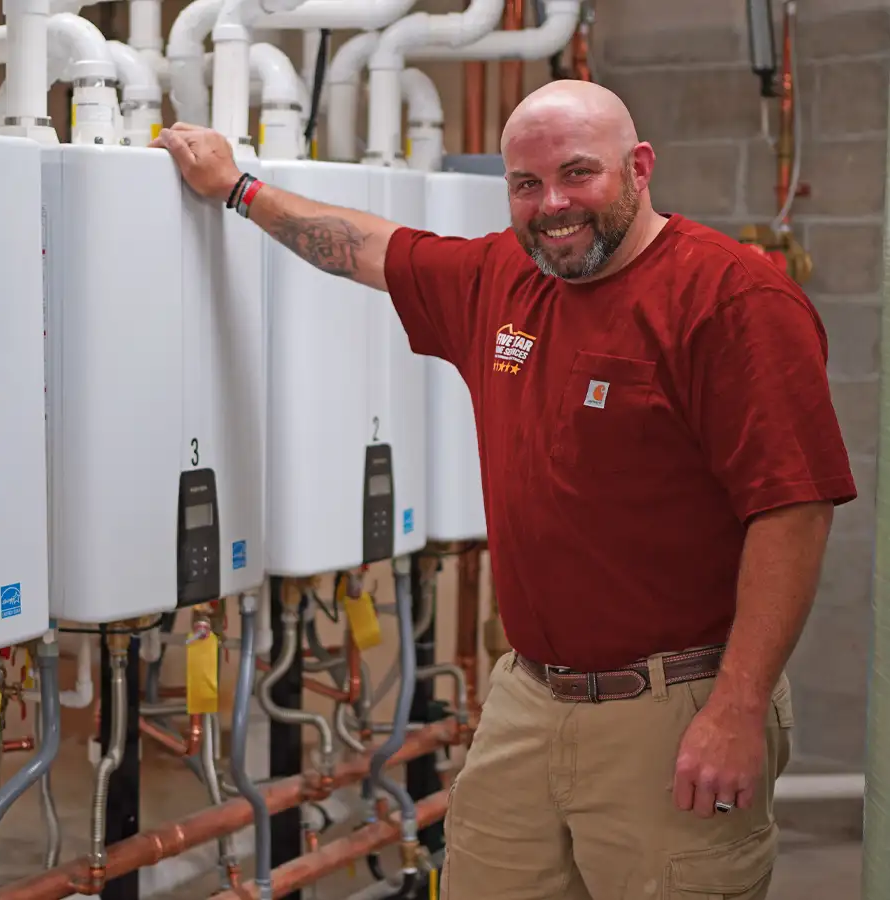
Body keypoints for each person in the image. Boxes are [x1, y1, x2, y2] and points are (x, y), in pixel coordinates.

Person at [152, 79, 856, 900]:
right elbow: (370, 247)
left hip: (675, 706)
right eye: (527, 185)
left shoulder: (730, 299)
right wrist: (237, 189)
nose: (552, 205)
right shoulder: (505, 281)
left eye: (577, 174)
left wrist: (736, 709)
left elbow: (794, 511)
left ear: (640, 166)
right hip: (529, 695)